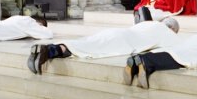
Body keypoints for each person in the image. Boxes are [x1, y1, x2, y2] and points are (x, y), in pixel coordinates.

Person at [27, 17, 180, 74]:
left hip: (116, 33)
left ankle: (51, 48)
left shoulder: (149, 23)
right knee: (88, 49)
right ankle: (51, 51)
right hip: (122, 41)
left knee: (86, 43)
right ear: (172, 29)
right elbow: (175, 48)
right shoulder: (167, 33)